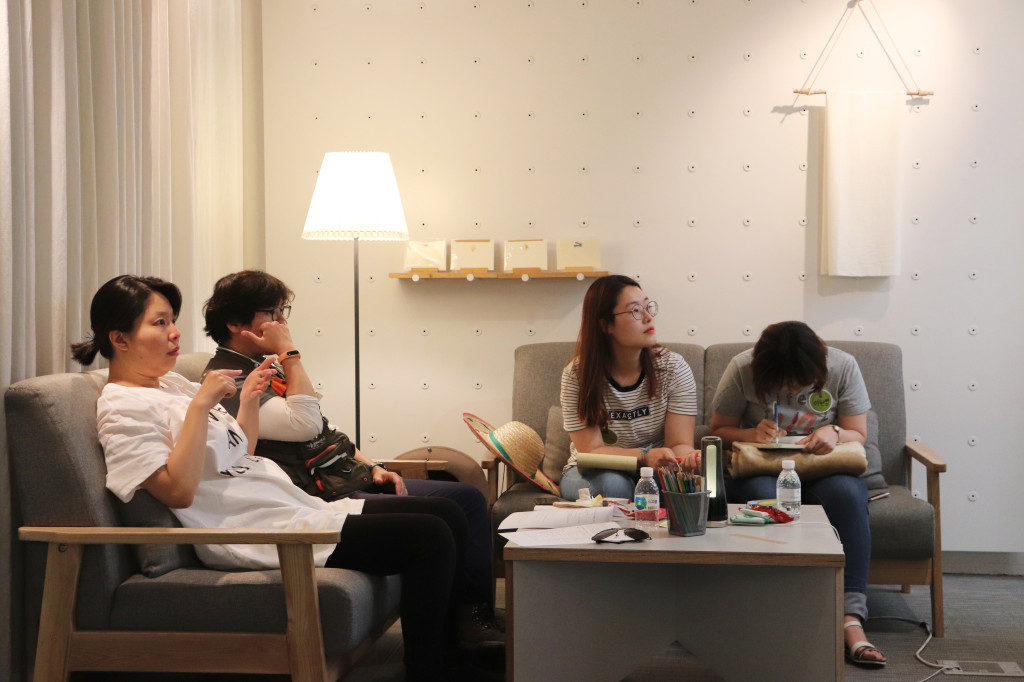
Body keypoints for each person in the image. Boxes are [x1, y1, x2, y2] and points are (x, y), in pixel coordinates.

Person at [72, 275, 479, 681]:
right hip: (253, 530)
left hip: (287, 508)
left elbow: (240, 454)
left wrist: (248, 400)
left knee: (446, 512)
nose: (175, 332)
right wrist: (200, 407)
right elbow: (178, 492)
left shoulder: (172, 385)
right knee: (429, 536)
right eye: (159, 323)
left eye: (173, 320)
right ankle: (431, 669)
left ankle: (459, 653)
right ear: (120, 339)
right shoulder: (122, 408)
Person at [199, 270, 501, 645]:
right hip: (321, 492)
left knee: (466, 498)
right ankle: (461, 631)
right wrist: (290, 353)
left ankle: (471, 618)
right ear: (235, 322)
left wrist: (372, 465)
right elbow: (305, 425)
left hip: (344, 476)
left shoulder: (266, 367)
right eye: (272, 313)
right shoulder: (229, 380)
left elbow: (325, 430)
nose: (281, 322)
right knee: (443, 516)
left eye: (282, 312)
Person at [708, 320, 886, 668]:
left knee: (848, 494)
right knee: (762, 495)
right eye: (782, 384)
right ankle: (771, 613)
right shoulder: (742, 367)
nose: (790, 390)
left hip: (824, 468)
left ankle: (850, 619)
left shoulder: (842, 365)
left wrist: (835, 432)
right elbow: (718, 429)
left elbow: (858, 433)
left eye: (799, 383)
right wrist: (750, 432)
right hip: (764, 469)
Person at [559, 274, 701, 501]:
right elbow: (592, 451)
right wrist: (644, 456)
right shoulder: (577, 375)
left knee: (676, 487)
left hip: (655, 469)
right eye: (635, 310)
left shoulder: (673, 368)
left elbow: (679, 444)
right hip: (593, 470)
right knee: (612, 485)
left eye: (648, 307)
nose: (648, 317)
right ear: (605, 325)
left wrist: (690, 458)